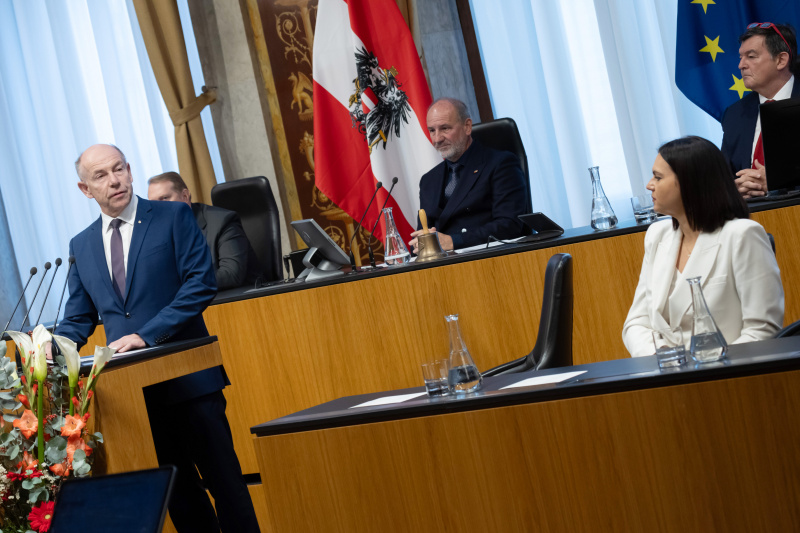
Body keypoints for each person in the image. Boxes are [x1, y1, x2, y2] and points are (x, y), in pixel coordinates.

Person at [55, 144, 260, 532]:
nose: (114, 180)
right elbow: (78, 317)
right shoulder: (81, 245)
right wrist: (53, 349)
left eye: (119, 169)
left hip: (190, 381)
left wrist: (145, 336)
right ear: (85, 189)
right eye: (101, 175)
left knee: (227, 488)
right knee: (180, 499)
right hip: (137, 396)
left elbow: (199, 285)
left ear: (130, 171)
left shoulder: (172, 216)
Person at [622, 136, 784, 358]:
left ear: (690, 183)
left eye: (658, 177)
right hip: (666, 376)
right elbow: (637, 322)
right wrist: (662, 357)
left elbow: (762, 330)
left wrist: (707, 364)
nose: (649, 185)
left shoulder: (742, 235)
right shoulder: (657, 235)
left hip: (728, 377)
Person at [409, 97, 527, 252]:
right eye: (432, 130)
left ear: (467, 126)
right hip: (442, 267)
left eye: (445, 128)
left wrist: (454, 241)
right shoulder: (429, 180)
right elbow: (425, 230)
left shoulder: (501, 164)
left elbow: (509, 225)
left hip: (489, 260)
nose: (437, 139)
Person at [721, 22, 799, 198]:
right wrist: (737, 190)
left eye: (751, 56)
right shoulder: (734, 115)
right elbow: (723, 180)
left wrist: (777, 181)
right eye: (740, 57)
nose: (741, 65)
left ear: (781, 60)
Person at [148, 171, 261, 290]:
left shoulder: (222, 222)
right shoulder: (157, 235)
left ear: (185, 196)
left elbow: (231, 275)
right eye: (152, 203)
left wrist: (182, 285)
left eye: (164, 198)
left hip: (243, 302)